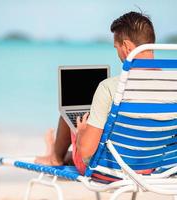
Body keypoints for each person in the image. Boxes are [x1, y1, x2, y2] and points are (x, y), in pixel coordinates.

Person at [35, 11, 156, 176]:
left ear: (127, 47)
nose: (118, 53)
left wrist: (82, 134)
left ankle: (55, 157)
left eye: (117, 47)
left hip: (108, 170)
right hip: (151, 169)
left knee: (70, 116)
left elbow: (86, 153)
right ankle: (59, 153)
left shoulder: (109, 88)